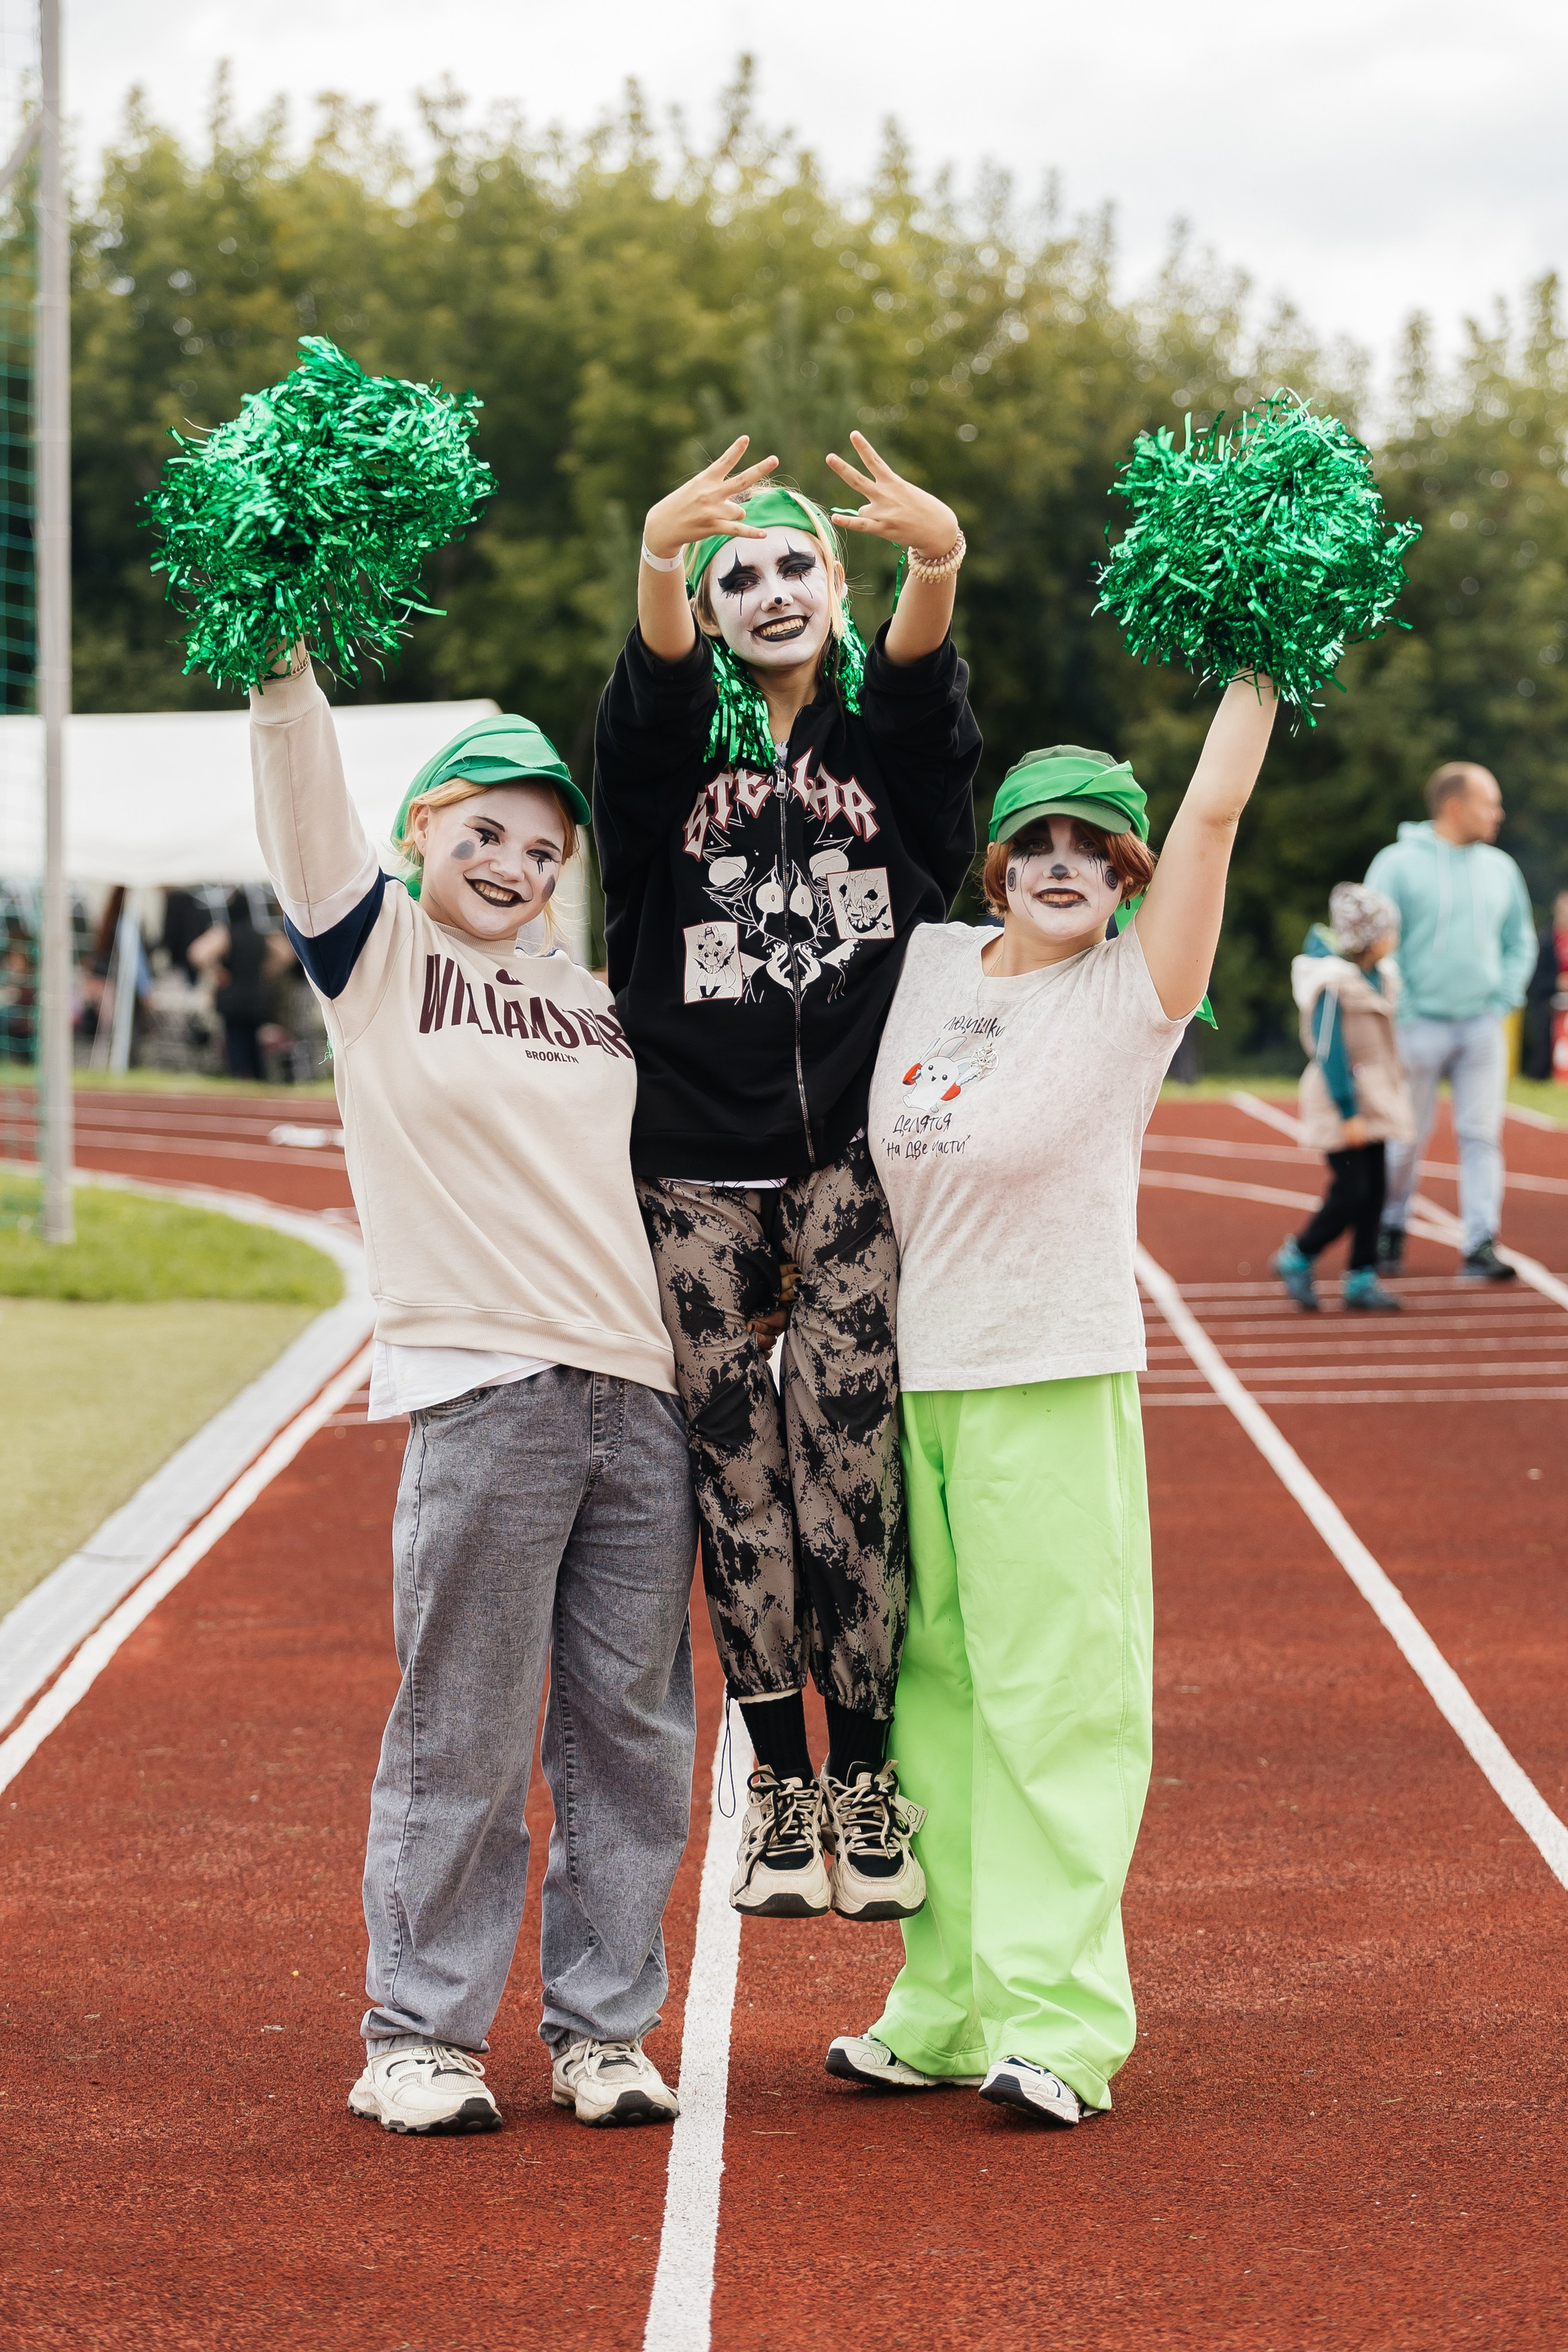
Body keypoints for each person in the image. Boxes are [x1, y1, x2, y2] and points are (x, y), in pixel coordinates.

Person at [250, 647, 698, 2137]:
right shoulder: (374, 957)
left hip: (637, 1395)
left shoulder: (586, 991)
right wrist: (281, 656)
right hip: (486, 1388)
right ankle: (422, 2035)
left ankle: (602, 2028)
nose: (509, 861)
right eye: (484, 830)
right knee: (467, 1723)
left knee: (628, 1730)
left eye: (539, 848)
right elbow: (302, 802)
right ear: (423, 827)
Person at [827, 689, 1277, 2127]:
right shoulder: (929, 963)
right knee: (930, 1702)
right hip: (912, 1389)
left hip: (1050, 1374)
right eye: (1037, 841)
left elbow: (1211, 814)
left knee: (1055, 1705)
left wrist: (1255, 665)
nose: (1063, 861)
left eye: (1096, 844)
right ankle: (943, 2002)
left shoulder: (1132, 991)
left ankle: (1060, 2026)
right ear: (998, 864)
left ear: (1129, 875)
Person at [594, 434, 980, 1922]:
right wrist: (653, 565)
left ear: (834, 584)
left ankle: (865, 1775)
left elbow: (930, 698)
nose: (767, 589)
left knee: (850, 1474)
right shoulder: (664, 763)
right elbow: (645, 707)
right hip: (692, 1170)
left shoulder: (882, 753)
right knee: (736, 1483)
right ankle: (779, 1781)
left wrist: (933, 567)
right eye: (732, 573)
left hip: (852, 1167)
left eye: (793, 565)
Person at [1365, 763, 1536, 1281]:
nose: (1498, 814)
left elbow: (1520, 939)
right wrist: (1405, 1004)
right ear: (1455, 806)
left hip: (1482, 1024)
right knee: (1405, 1137)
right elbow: (1371, 939)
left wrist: (1503, 997)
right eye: (1490, 803)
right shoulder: (1397, 864)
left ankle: (1481, 1242)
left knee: (1482, 1134)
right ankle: (1390, 1228)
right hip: (1416, 1026)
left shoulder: (1502, 868)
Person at [1271, 884, 1412, 1314]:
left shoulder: (1381, 976)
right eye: (1388, 929)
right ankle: (1299, 1254)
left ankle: (1362, 1276)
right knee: (1352, 1190)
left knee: (1376, 1192)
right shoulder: (1332, 983)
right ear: (1369, 937)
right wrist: (1348, 1110)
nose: (1395, 936)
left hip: (1377, 1096)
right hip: (1343, 1101)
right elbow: (1329, 1051)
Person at [1523, 889, 1568, 1082]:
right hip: (1549, 1000)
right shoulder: (1545, 940)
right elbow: (1534, 980)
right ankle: (1542, 1072)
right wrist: (1556, 983)